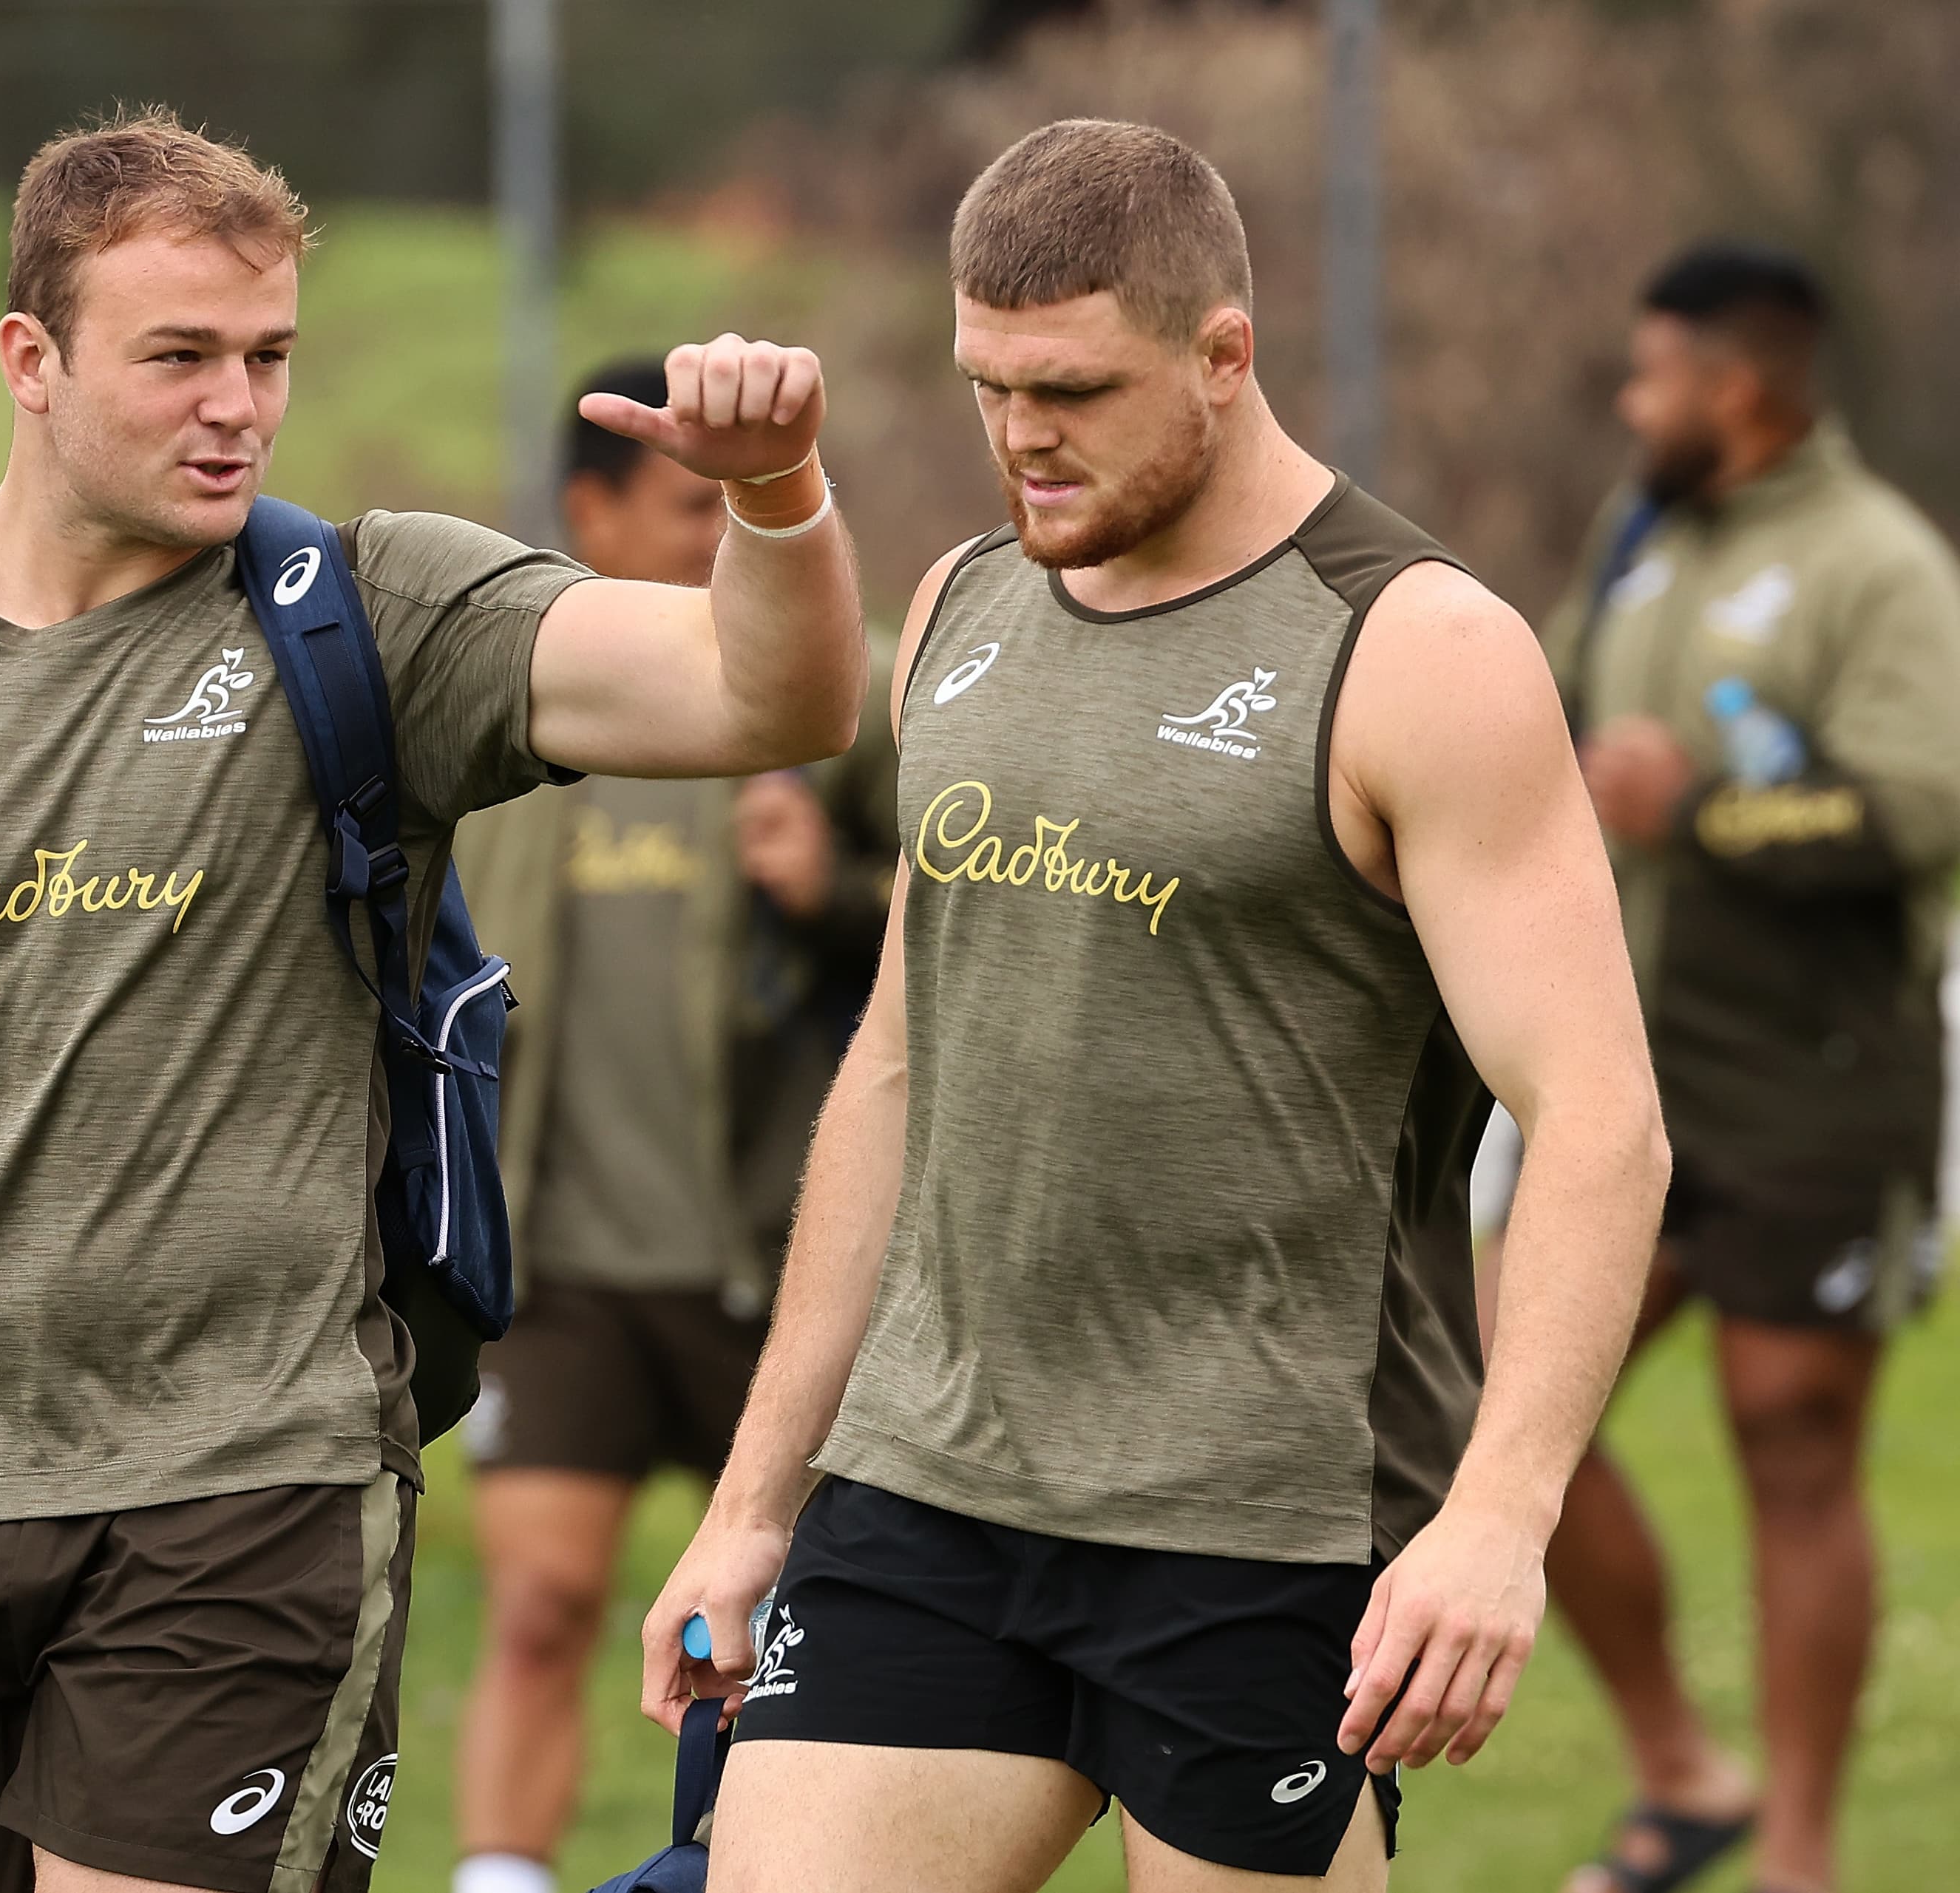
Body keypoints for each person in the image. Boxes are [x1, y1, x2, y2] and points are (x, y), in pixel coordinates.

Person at [0, 105, 864, 1893]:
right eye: (178, 356)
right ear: (29, 360)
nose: (237, 406)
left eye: (266, 356)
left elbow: (768, 701)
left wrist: (777, 494)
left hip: (250, 1480)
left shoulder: (374, 614)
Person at [640, 118, 1669, 1892]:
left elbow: (1600, 1121)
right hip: (931, 1489)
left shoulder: (1416, 649)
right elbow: (896, 1068)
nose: (1024, 435)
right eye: (988, 385)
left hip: (1258, 1524)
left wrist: (1502, 1518)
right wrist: (755, 1501)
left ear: (1223, 355)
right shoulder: (962, 605)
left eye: (1076, 388)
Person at [1537, 243, 1960, 1893]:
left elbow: (1927, 805)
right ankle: (1678, 1771)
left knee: (1792, 1445)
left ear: (1734, 388)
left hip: (1815, 1077)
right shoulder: (1641, 537)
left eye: (1649, 377)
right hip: (1628, 1070)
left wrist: (1699, 810)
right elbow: (1551, 694)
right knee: (1497, 1397)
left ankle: (1798, 1857)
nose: (1630, 407)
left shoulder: (1880, 565)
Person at [445, 361, 898, 1893]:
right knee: (542, 1607)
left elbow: (981, 916)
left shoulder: (845, 691)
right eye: (690, 506)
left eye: (739, 506)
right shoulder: (500, 704)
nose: (724, 539)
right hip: (556, 1265)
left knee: (805, 1643)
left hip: (767, 1271)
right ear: (589, 514)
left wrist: (826, 892)